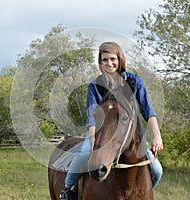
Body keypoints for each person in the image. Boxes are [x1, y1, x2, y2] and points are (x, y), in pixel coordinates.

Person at [60, 42, 163, 200]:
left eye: (112, 59)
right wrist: (94, 138)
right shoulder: (95, 86)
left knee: (157, 170)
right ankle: (67, 189)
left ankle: (143, 193)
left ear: (120, 59)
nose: (109, 63)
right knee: (85, 152)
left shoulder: (134, 82)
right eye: (105, 60)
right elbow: (91, 115)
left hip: (129, 136)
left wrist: (157, 136)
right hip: (102, 133)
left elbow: (148, 111)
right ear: (100, 62)